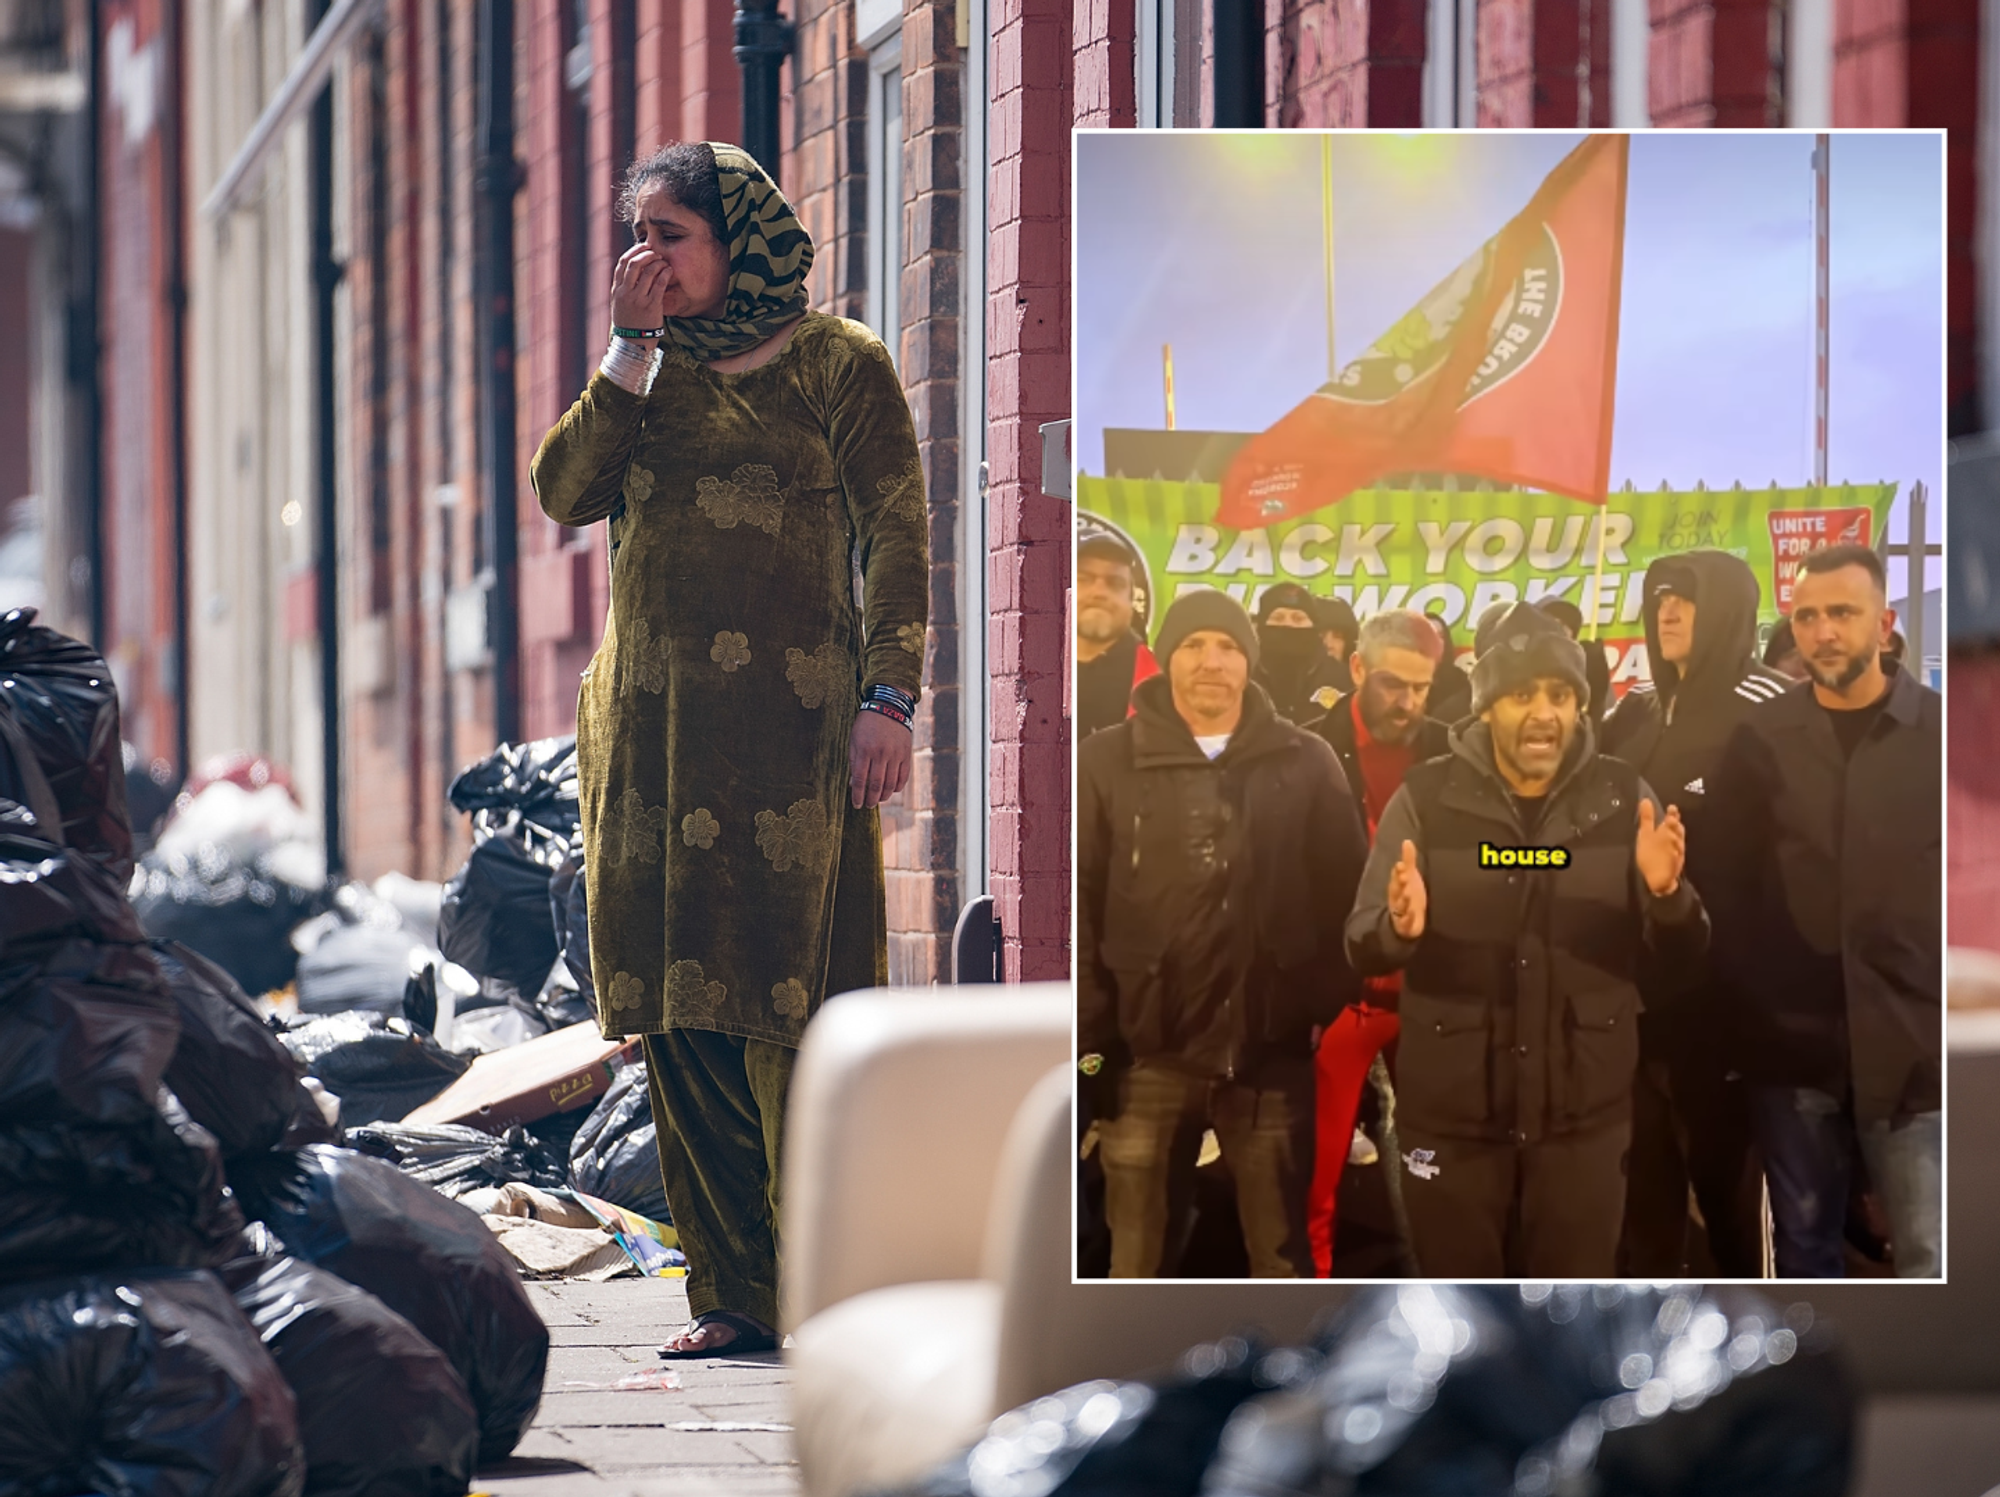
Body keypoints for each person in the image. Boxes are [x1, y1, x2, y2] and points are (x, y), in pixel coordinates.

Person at [530, 142, 929, 1356]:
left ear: (737, 236)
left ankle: (823, 1283)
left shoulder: (836, 367)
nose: (649, 255)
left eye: (672, 231)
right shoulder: (644, 377)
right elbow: (561, 491)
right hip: (651, 745)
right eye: (637, 232)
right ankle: (731, 1295)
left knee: (786, 1013)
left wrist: (889, 699)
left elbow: (900, 536)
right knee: (679, 1015)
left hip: (793, 744)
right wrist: (625, 352)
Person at [1344, 603, 1708, 1278]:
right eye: (1521, 694)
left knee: (1570, 1305)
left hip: (1584, 1123)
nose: (1544, 712)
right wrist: (1398, 927)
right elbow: (1362, 942)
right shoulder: (1427, 797)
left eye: (1561, 694)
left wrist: (1667, 898)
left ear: (1580, 705)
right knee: (1459, 1306)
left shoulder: (1624, 797)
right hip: (1452, 1118)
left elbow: (1683, 957)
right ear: (1485, 707)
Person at [1078, 590, 1369, 1278]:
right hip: (1145, 1060)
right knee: (1137, 1261)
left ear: (1251, 662)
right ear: (1168, 658)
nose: (1212, 662)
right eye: (1194, 645)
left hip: (1270, 1061)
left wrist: (1314, 1006)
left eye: (1230, 647)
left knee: (1283, 1261)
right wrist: (1098, 1038)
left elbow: (1349, 895)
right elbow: (1080, 902)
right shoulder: (1106, 760)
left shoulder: (1308, 760)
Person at [1704, 543, 1941, 1278]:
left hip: (1915, 1059)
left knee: (1931, 1252)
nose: (1823, 632)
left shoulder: (1943, 733)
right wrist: (1759, 1009)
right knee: (1806, 1259)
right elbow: (1723, 882)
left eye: (1842, 612)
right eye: (1806, 616)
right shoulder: (1756, 739)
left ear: (1885, 622)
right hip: (1791, 1056)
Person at [1599, 551, 1791, 1277]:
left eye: (1686, 598)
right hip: (1634, 1013)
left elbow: (1800, 867)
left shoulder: (1771, 706)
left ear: (1729, 609)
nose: (1667, 611)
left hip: (1725, 1019)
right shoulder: (1635, 709)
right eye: (1659, 598)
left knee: (1734, 1221)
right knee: (1642, 1218)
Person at [1299, 610, 1451, 1276]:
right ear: (1357, 668)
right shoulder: (1309, 749)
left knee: (1431, 1170)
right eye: (1395, 684)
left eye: (1424, 686)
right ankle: (1313, 1297)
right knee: (1316, 1175)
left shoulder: (1456, 750)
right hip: (1339, 992)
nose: (1411, 701)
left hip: (1428, 992)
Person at [1077, 533, 1161, 738]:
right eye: (1084, 579)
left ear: (1132, 603)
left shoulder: (1156, 682)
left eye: (1115, 583)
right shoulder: (1030, 662)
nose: (1099, 592)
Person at [1252, 583, 1350, 722]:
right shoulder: (1244, 674)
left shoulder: (1344, 678)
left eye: (1298, 619)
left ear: (1314, 625)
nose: (1288, 625)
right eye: (1278, 618)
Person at [1536, 596, 1613, 726]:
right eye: (1551, 621)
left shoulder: (1592, 673)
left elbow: (1607, 722)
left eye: (1566, 625)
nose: (1560, 629)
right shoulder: (1515, 674)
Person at [1422, 611, 1473, 725]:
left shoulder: (1463, 684)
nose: (1435, 642)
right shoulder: (1404, 680)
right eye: (1429, 636)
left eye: (1440, 636)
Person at [1315, 595, 1361, 683]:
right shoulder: (1289, 686)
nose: (1329, 644)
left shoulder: (1362, 688)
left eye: (1338, 635)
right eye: (1320, 635)